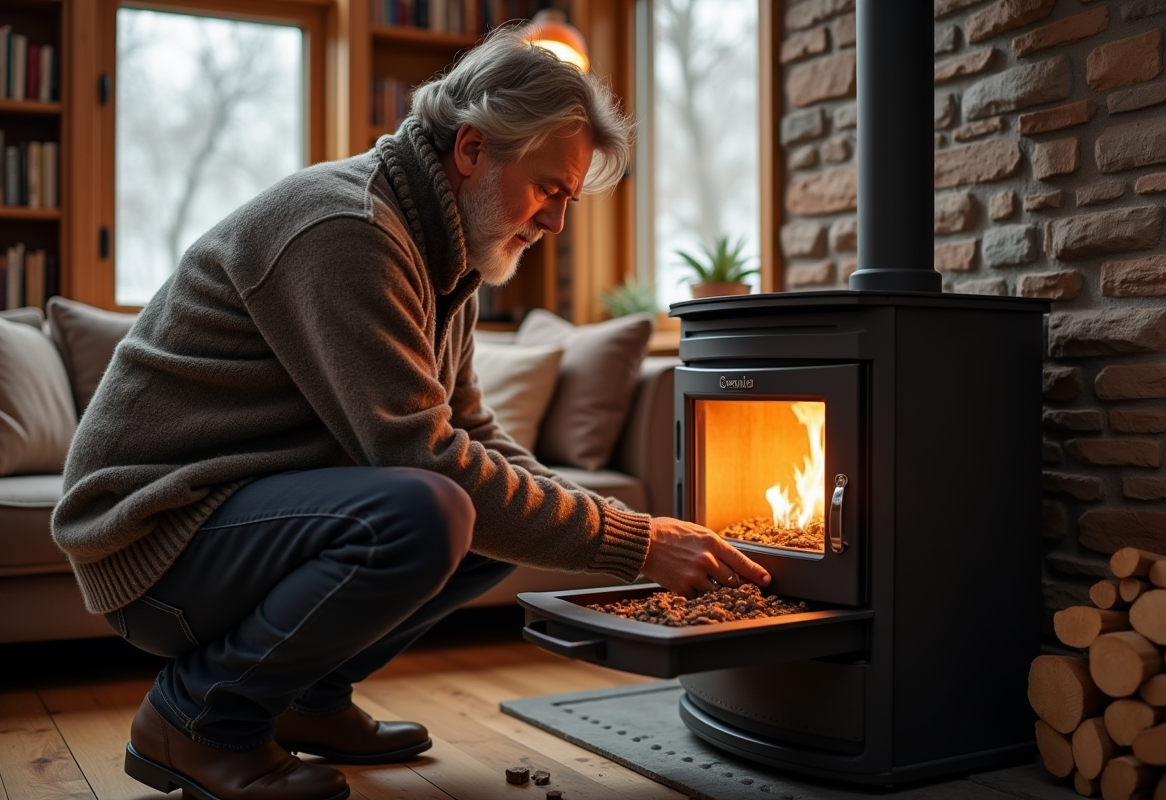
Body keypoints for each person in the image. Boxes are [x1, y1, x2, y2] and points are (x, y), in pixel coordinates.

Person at [51, 24, 770, 800]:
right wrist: (634, 544)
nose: (558, 223)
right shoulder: (348, 228)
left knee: (499, 517)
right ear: (471, 150)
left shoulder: (443, 249)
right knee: (427, 508)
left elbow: (473, 432)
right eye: (549, 189)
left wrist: (602, 518)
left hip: (227, 512)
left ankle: (305, 698)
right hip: (156, 537)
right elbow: (422, 457)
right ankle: (196, 721)